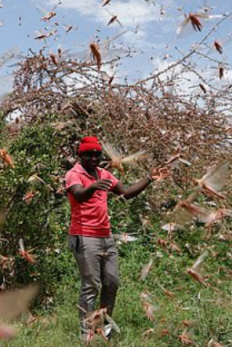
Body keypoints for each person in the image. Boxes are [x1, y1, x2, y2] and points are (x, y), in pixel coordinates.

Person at [64, 135, 168, 341]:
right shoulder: (73, 174)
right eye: (89, 154)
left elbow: (127, 193)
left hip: (106, 236)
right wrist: (93, 187)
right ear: (80, 155)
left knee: (111, 282)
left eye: (97, 154)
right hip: (84, 236)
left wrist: (148, 178)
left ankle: (103, 327)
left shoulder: (104, 174)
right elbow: (78, 194)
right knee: (91, 284)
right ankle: (86, 333)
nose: (94, 158)